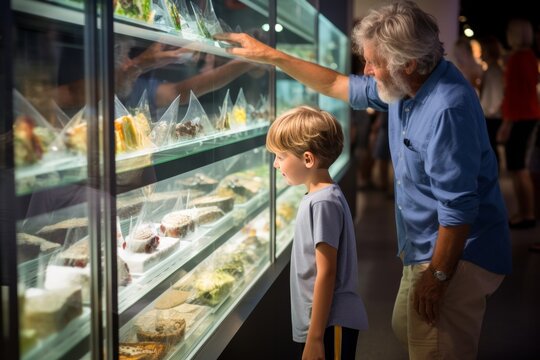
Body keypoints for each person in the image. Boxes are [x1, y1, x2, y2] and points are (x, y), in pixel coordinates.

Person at [215, 1, 512, 358]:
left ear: (409, 63)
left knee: (434, 345)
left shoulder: (447, 108)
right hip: (423, 247)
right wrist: (271, 56)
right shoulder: (406, 85)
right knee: (408, 328)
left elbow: (459, 208)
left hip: (455, 256)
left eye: (374, 62)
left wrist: (437, 278)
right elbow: (337, 84)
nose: (367, 70)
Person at [266, 106, 368, 359]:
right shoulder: (320, 196)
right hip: (323, 324)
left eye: (280, 156)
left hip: (329, 324)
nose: (275, 164)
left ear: (308, 159)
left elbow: (327, 271)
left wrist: (315, 337)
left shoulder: (322, 203)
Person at [497, 18, 540, 230]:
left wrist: (506, 122)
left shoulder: (516, 59)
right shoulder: (530, 57)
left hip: (520, 117)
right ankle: (525, 212)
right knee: (518, 167)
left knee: (518, 167)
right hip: (528, 115)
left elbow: (514, 95)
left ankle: (527, 214)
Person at [478, 35, 505, 170]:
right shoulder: (492, 70)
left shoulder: (493, 71)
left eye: (483, 50)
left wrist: (488, 112)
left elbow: (495, 97)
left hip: (492, 117)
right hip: (492, 115)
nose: (481, 54)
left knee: (491, 149)